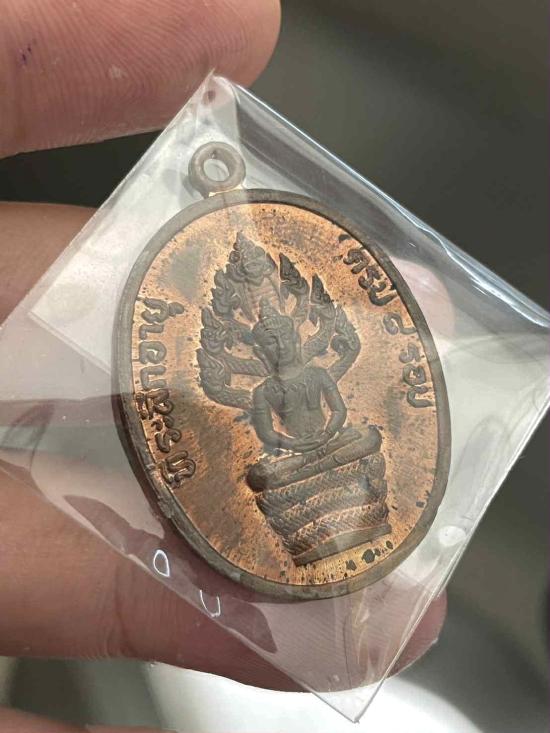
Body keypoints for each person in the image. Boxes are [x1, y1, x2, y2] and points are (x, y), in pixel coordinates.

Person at [0, 2, 446, 731]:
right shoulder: (264, 385)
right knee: (267, 470)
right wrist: (289, 440)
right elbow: (262, 427)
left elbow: (335, 405)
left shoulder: (313, 367)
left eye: (284, 331)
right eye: (268, 338)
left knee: (345, 444)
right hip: (292, 467)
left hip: (336, 451)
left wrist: (321, 427)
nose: (279, 341)